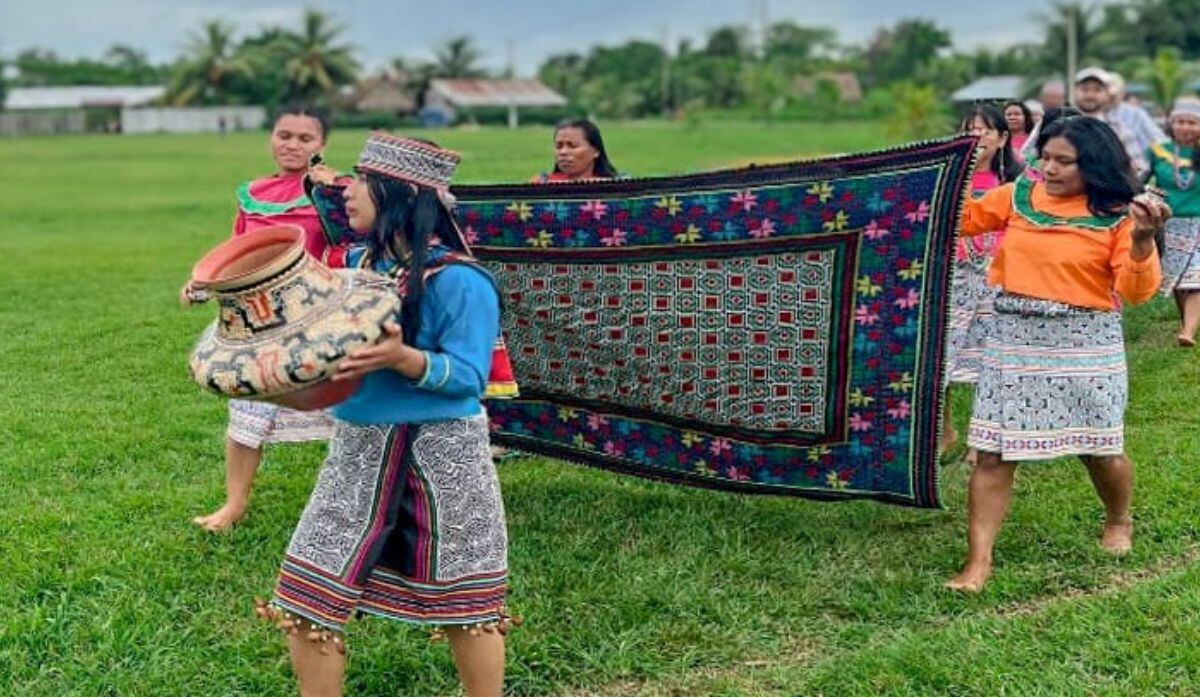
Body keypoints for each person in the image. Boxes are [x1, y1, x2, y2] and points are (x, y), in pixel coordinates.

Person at [258, 133, 514, 697]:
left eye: (362, 181)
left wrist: (404, 359)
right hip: (359, 450)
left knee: (468, 606)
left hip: (444, 455)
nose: (347, 190)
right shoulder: (356, 267)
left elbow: (471, 378)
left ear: (399, 195)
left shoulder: (461, 280)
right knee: (304, 597)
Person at [945, 116, 1170, 592]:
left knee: (1099, 450)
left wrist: (1142, 241)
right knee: (993, 454)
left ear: (1094, 165)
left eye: (1063, 161)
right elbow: (959, 219)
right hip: (1013, 338)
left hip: (1086, 342)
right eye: (1045, 157)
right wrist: (957, 169)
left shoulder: (1119, 217)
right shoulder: (1018, 196)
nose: (1048, 168)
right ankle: (977, 563)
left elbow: (1135, 292)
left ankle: (1118, 519)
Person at [186, 104, 337, 532]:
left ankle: (355, 503)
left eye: (305, 138)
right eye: (284, 135)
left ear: (322, 145)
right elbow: (236, 252)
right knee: (245, 414)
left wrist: (332, 193)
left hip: (314, 320)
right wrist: (201, 284)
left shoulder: (333, 190)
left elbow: (351, 244)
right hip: (256, 323)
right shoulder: (252, 192)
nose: (292, 145)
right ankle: (234, 504)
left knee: (348, 415)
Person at [942, 105, 1022, 458]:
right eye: (970, 129)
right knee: (942, 356)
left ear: (1002, 138)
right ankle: (945, 430)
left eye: (985, 130)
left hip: (994, 278)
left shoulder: (1014, 184)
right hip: (952, 278)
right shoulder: (948, 178)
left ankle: (981, 439)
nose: (977, 136)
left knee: (989, 360)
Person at [1147, 97, 1200, 346]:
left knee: (1196, 277)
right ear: (1171, 123)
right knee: (1178, 279)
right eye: (1180, 121)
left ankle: (1188, 332)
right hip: (1169, 223)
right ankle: (1186, 322)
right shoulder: (1159, 151)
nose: (1185, 127)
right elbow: (1140, 179)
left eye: (1192, 122)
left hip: (1198, 222)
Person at [1072, 67, 1156, 176]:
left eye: (1097, 90)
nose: (1090, 95)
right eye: (1085, 89)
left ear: (1107, 94)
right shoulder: (1061, 126)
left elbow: (1140, 168)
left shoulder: (1119, 130)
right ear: (1075, 91)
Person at [532, 118, 619, 183]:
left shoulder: (617, 185)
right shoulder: (542, 183)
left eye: (573, 146)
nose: (563, 152)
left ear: (595, 151)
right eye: (558, 146)